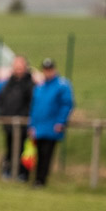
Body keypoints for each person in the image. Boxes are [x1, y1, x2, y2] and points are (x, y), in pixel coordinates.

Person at [29, 58, 73, 187]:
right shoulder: (40, 87)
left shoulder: (62, 85)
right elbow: (35, 107)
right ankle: (36, 179)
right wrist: (32, 125)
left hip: (52, 127)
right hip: (39, 127)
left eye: (50, 69)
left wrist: (60, 121)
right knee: (37, 154)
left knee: (46, 154)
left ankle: (41, 180)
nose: (47, 72)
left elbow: (67, 104)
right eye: (45, 69)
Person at [0, 54, 34, 181]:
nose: (18, 69)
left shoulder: (30, 84)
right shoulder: (8, 83)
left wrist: (24, 118)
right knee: (9, 150)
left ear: (25, 67)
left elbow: (31, 104)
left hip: (23, 125)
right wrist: (3, 114)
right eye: (16, 66)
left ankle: (22, 174)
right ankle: (8, 172)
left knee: (22, 151)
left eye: (20, 66)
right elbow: (1, 100)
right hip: (8, 124)